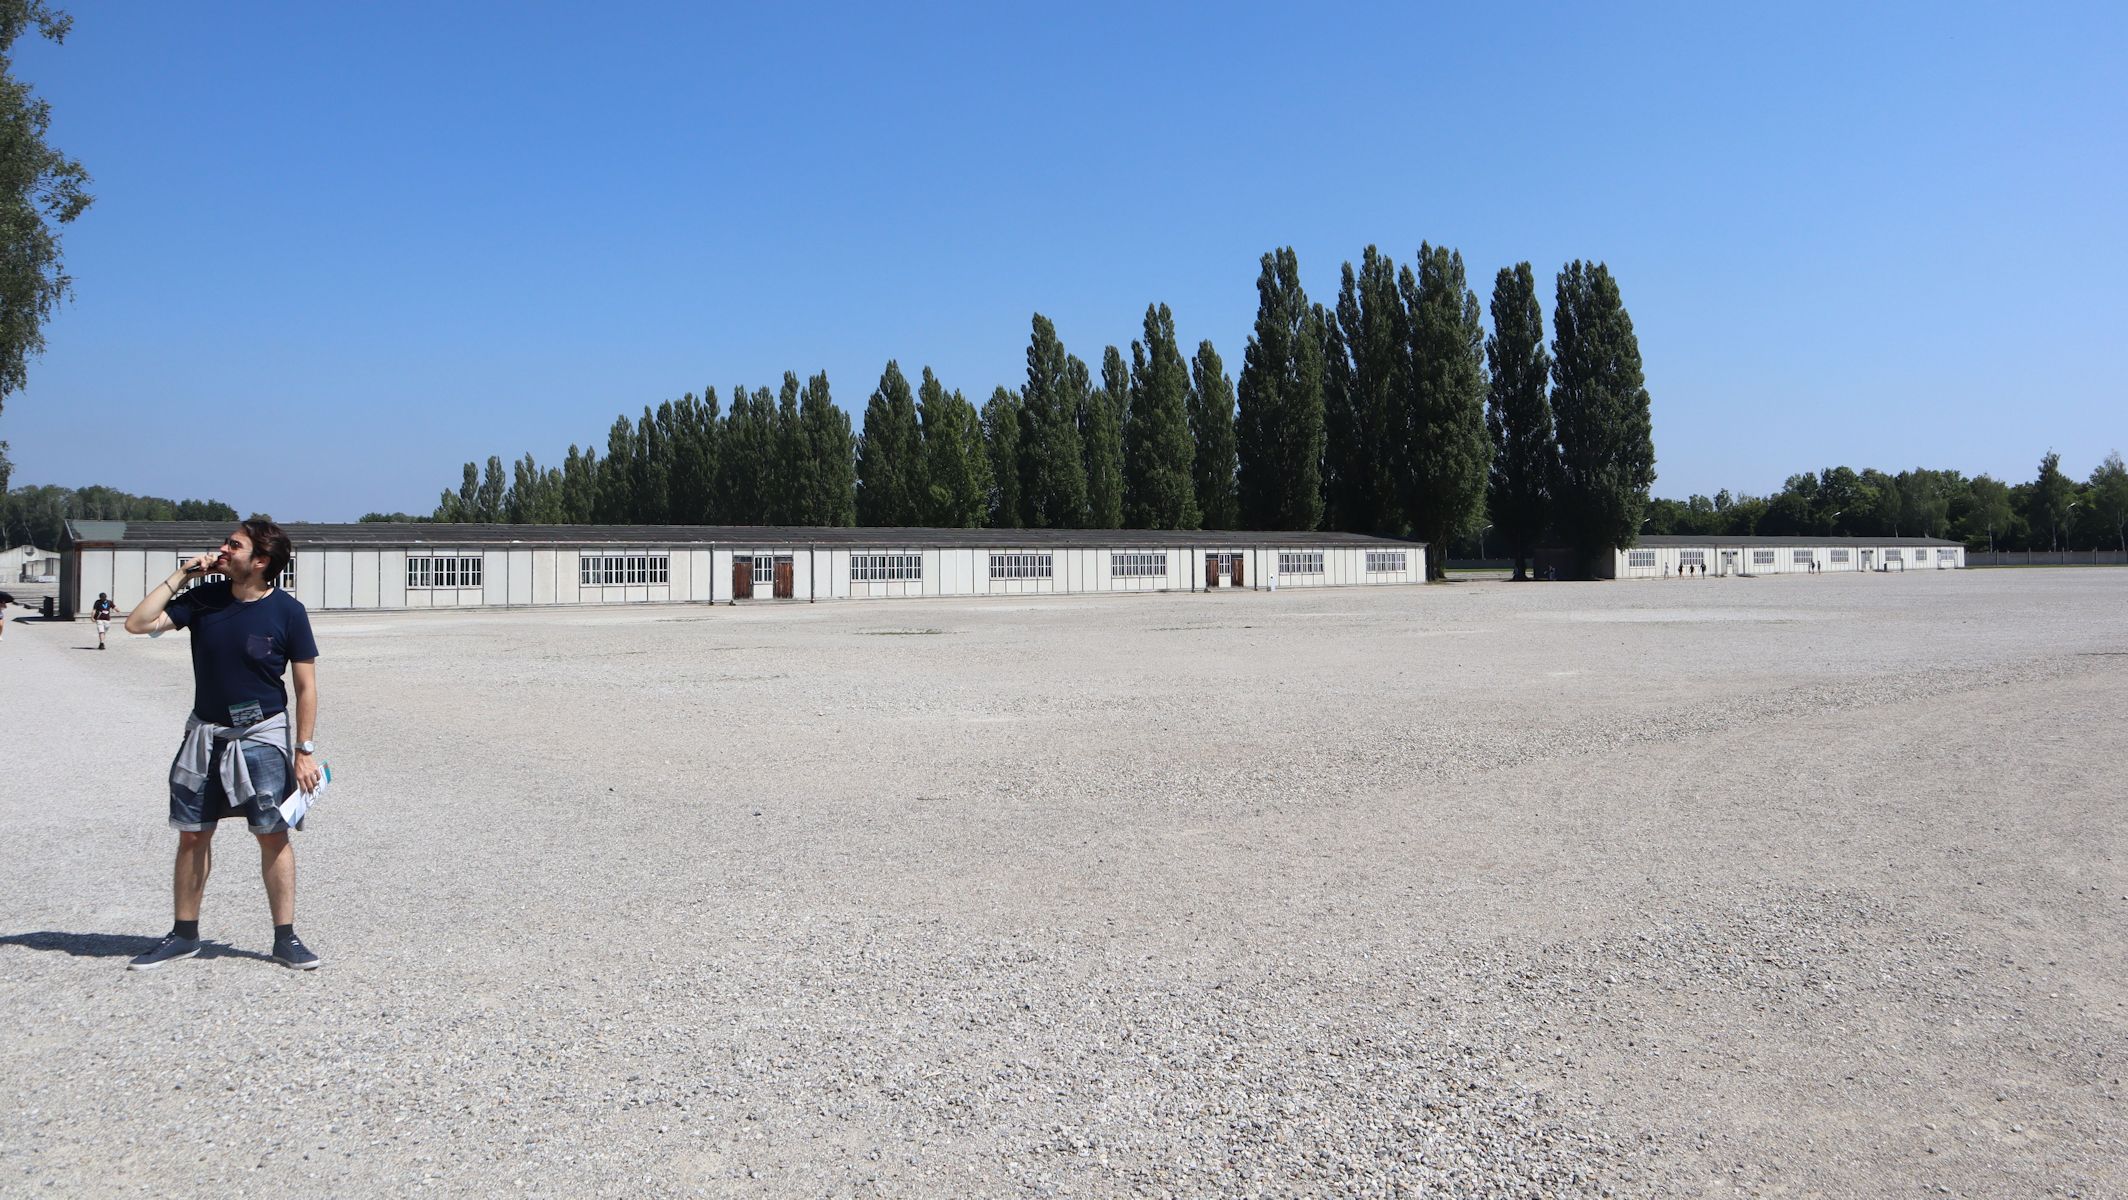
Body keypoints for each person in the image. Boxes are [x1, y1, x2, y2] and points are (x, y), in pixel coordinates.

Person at [122, 520, 324, 971]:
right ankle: (184, 934)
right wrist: (183, 575)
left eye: (234, 545)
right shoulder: (204, 598)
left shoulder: (288, 612)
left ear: (260, 561)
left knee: (272, 835)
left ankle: (285, 939)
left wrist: (304, 749)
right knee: (193, 833)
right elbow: (137, 624)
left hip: (261, 737)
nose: (221, 550)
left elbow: (306, 687)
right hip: (205, 735)